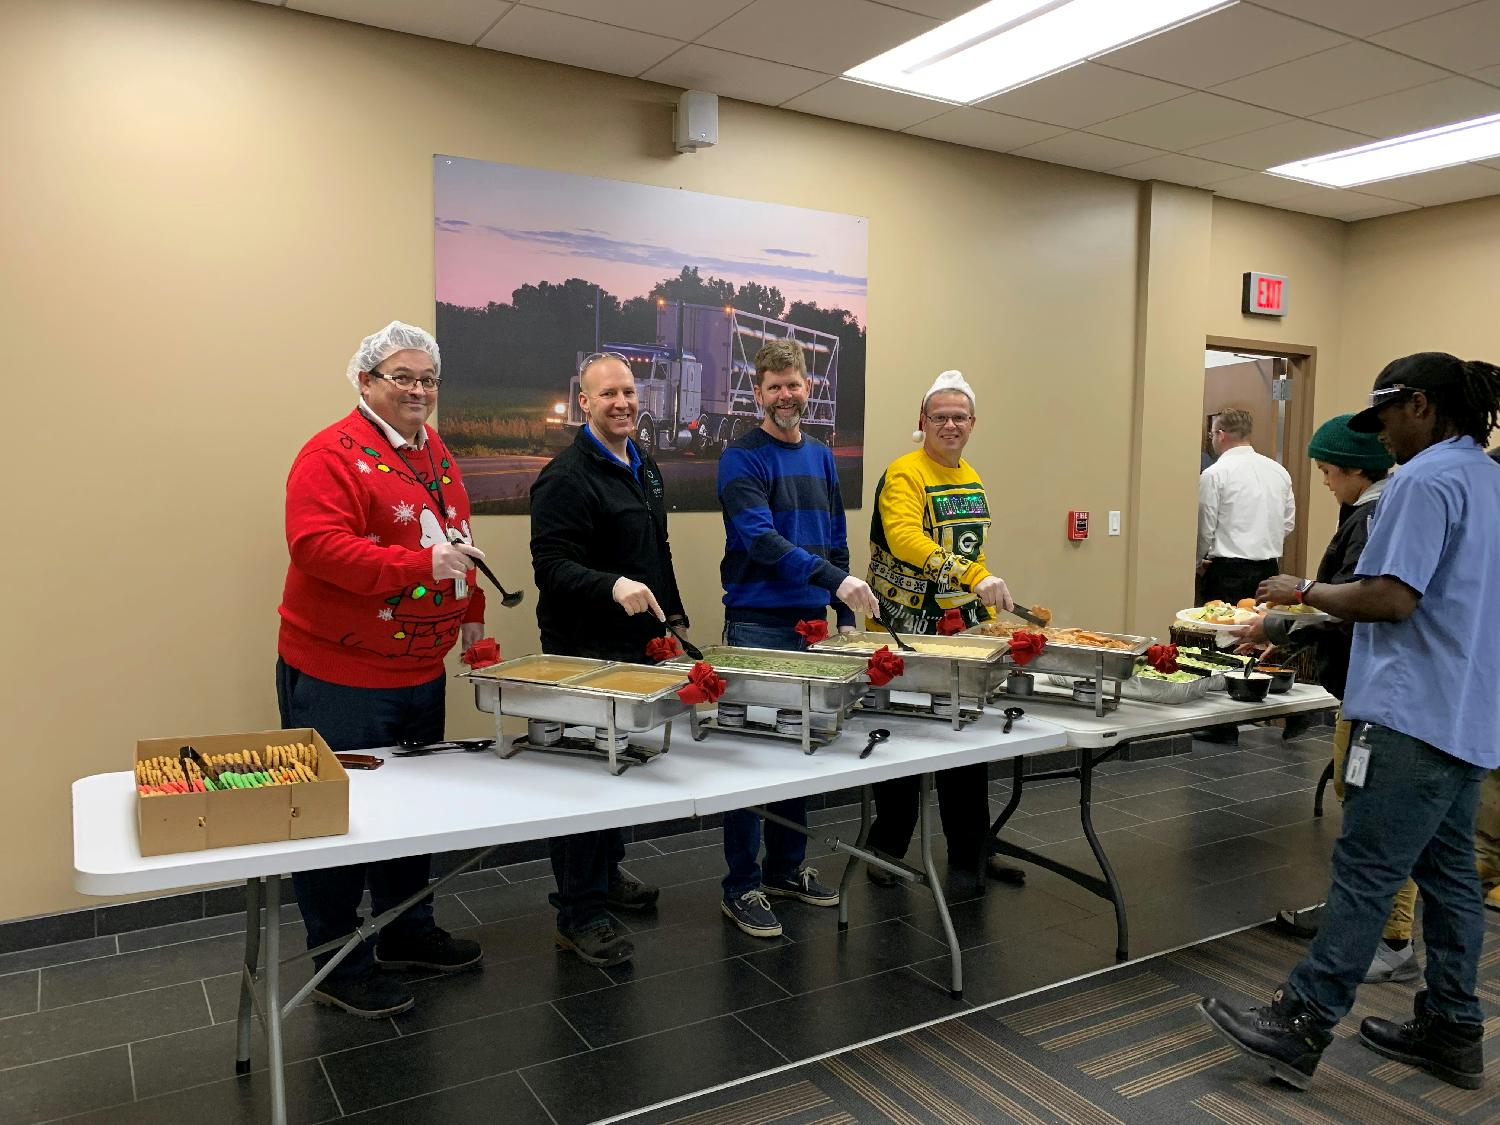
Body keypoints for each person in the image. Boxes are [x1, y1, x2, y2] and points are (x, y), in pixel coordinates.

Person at [1200, 352, 1500, 1092]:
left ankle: (1301, 1021)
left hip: (1409, 712)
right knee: (1450, 874)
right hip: (1466, 711)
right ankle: (1454, 1027)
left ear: (1423, 405)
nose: (1382, 436)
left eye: (1388, 416)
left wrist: (1305, 593)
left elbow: (1394, 597)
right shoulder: (1488, 476)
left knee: (1366, 872)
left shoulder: (1426, 480)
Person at [277, 321, 485, 1018]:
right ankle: (339, 962)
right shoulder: (329, 454)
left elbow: (456, 538)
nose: (419, 390)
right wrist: (418, 566)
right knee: (339, 822)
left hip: (420, 672)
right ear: (365, 381)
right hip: (341, 678)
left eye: (428, 378)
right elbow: (317, 548)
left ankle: (406, 931)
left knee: (412, 817)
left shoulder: (436, 454)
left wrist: (473, 606)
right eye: (403, 376)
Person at [1228, 415, 1414, 981]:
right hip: (1360, 683)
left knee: (1378, 816)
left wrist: (1291, 611)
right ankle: (1353, 915)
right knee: (1352, 796)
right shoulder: (1367, 511)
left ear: (1359, 467)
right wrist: (1282, 629)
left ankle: (1392, 938)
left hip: (1378, 690)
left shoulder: (1376, 517)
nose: (1325, 481)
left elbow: (1357, 604)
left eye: (1329, 471)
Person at [716, 337, 879, 938]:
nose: (786, 395)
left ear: (810, 388)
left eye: (795, 384)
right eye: (774, 386)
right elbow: (761, 541)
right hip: (758, 624)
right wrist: (836, 581)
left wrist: (842, 616)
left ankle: (786, 869)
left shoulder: (821, 455)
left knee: (800, 746)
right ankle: (741, 886)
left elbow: (834, 532)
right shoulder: (742, 459)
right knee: (750, 757)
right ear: (756, 393)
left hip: (814, 624)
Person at [530, 351, 683, 967]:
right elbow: (552, 568)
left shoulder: (643, 464)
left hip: (635, 647)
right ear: (584, 402)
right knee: (583, 782)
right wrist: (612, 585)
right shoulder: (566, 478)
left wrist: (671, 617)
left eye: (628, 392)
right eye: (607, 394)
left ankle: (606, 874)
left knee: (618, 769)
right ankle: (579, 912)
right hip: (582, 652)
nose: (621, 403)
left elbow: (656, 552)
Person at [863, 370, 1019, 897]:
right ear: (922, 422)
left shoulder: (972, 476)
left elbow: (971, 551)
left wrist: (983, 600)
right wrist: (975, 577)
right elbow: (905, 537)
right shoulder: (904, 473)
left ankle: (971, 850)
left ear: (973, 423)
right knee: (904, 739)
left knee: (966, 737)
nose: (949, 425)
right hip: (904, 626)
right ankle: (886, 851)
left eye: (959, 417)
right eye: (939, 417)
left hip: (959, 628)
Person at [1196, 408, 1295, 604]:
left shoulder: (1215, 473)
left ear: (1220, 435)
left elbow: (1205, 527)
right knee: (1260, 629)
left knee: (1223, 628)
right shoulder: (1279, 471)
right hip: (1269, 572)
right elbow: (1287, 524)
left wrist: (1198, 562)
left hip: (1227, 573)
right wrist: (1261, 542)